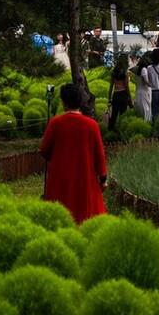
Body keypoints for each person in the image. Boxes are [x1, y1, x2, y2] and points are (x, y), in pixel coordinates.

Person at [39, 82, 107, 224]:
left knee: (59, 217)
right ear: (81, 102)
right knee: (85, 216)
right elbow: (99, 156)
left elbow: (44, 150)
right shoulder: (91, 125)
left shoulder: (55, 123)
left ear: (64, 103)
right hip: (85, 177)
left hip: (60, 178)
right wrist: (103, 179)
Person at [107, 55, 131, 129]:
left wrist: (109, 98)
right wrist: (129, 97)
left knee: (114, 114)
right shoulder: (126, 72)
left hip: (116, 94)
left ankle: (111, 130)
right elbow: (126, 86)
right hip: (123, 94)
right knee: (122, 115)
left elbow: (111, 86)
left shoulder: (114, 71)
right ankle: (121, 131)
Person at [133, 53, 155, 121]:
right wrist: (153, 84)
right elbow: (146, 82)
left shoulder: (137, 70)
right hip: (145, 92)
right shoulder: (144, 70)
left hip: (139, 92)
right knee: (146, 109)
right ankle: (146, 122)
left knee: (141, 109)